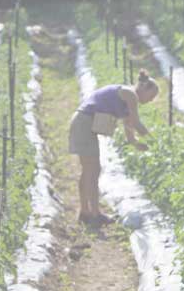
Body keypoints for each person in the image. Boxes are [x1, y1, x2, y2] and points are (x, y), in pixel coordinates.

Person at [68, 69, 158, 225]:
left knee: (88, 170)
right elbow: (136, 123)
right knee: (93, 170)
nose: (151, 100)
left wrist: (137, 143)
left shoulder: (127, 98)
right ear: (144, 88)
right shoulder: (131, 95)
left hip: (82, 121)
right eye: (152, 96)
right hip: (85, 123)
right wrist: (156, 142)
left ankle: (85, 212)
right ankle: (95, 215)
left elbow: (130, 129)